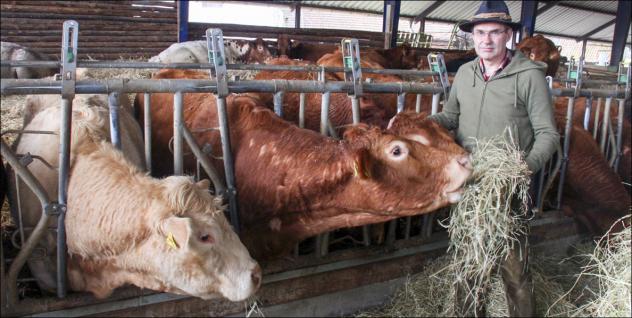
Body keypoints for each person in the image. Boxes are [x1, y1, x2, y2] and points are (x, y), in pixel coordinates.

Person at [428, 1, 560, 317]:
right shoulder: (464, 72)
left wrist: (522, 170)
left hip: (507, 186)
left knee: (513, 269)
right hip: (470, 183)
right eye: (480, 33)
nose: (486, 40)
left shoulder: (529, 76)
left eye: (495, 33)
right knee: (470, 265)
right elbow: (451, 116)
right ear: (472, 37)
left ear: (508, 36)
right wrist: (419, 123)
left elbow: (548, 135)